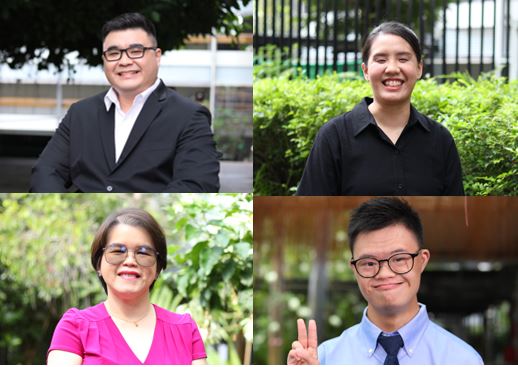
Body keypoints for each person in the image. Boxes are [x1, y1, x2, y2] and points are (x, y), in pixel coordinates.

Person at [31, 12, 220, 193]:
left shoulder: (189, 115)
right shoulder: (80, 113)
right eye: (114, 53)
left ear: (157, 56)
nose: (124, 61)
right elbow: (47, 171)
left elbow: (197, 185)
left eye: (136, 51)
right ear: (104, 60)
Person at [287, 197, 483, 364]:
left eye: (399, 259)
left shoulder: (463, 359)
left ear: (422, 261)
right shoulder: (325, 358)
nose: (384, 273)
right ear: (354, 269)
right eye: (369, 263)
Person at [296, 22, 464, 195]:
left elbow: (453, 218)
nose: (392, 68)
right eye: (381, 60)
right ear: (366, 70)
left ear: (419, 68)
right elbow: (309, 215)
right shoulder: (334, 137)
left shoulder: (440, 140)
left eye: (403, 59)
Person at [47, 208, 207, 365]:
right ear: (98, 264)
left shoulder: (185, 329)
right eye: (117, 251)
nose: (130, 261)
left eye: (143, 253)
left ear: (158, 268)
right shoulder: (75, 327)